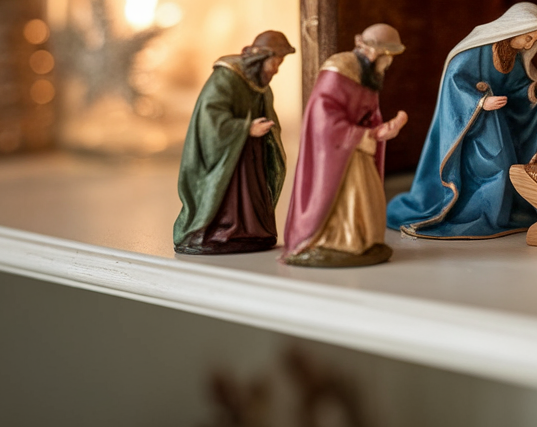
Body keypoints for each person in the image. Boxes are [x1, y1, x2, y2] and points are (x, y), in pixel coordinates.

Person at [387, 3, 537, 238]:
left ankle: (495, 215)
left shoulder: (513, 58)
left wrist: (535, 90)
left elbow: (515, 89)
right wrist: (480, 102)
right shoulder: (476, 50)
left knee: (505, 167)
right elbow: (454, 81)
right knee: (496, 168)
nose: (529, 45)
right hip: (470, 130)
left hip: (495, 127)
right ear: (515, 29)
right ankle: (479, 214)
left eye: (534, 41)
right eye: (528, 38)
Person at [281, 24, 409, 267]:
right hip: (337, 151)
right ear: (374, 51)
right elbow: (323, 116)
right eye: (388, 57)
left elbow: (369, 114)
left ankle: (362, 242)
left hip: (356, 149)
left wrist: (380, 130)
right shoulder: (340, 68)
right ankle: (333, 243)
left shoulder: (368, 74)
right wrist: (363, 134)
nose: (389, 63)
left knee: (367, 196)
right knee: (344, 197)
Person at [173, 31, 295, 254]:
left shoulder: (261, 85)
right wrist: (246, 128)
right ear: (261, 59)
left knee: (250, 198)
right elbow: (210, 118)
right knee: (229, 200)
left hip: (250, 155)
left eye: (280, 63)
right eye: (275, 62)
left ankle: (251, 232)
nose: (276, 69)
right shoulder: (226, 77)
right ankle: (220, 231)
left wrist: (266, 129)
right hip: (226, 156)